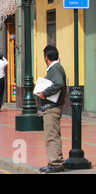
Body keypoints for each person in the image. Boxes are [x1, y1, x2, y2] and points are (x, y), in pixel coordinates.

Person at [37, 45, 67, 173]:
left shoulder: (55, 68)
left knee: (51, 135)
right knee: (52, 134)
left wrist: (45, 93)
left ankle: (55, 163)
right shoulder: (56, 68)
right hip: (52, 107)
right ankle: (54, 161)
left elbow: (59, 83)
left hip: (52, 107)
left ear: (46, 58)